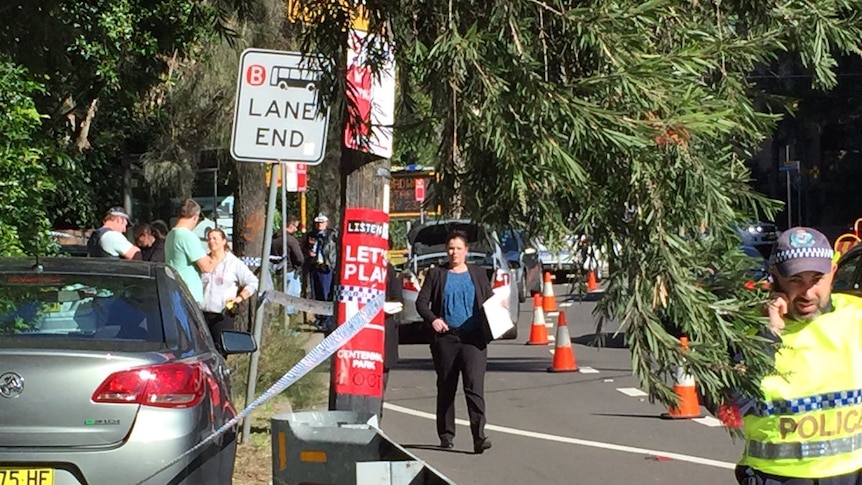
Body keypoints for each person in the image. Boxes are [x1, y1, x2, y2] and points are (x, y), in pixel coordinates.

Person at [732, 227, 862, 484]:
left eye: (817, 279)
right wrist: (768, 336)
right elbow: (731, 405)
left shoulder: (856, 317)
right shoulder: (749, 332)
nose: (807, 293)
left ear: (833, 274)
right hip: (778, 477)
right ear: (775, 279)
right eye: (795, 280)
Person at [415, 230, 493, 454]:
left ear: (466, 251)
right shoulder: (437, 274)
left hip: (473, 339)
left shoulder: (478, 274)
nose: (454, 252)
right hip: (446, 339)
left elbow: (489, 301)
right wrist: (434, 320)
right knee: (447, 386)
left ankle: (479, 436)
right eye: (451, 248)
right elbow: (422, 303)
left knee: (474, 387)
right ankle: (446, 434)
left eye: (459, 248)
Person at [200, 228, 258, 352]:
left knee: (220, 351)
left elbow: (253, 282)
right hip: (202, 314)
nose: (211, 241)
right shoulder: (203, 261)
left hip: (222, 315)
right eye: (209, 239)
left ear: (223, 241)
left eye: (215, 238)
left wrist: (239, 298)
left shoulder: (233, 263)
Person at [165, 199, 216, 305]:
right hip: (189, 294)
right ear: (195, 217)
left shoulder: (171, 234)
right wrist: (219, 256)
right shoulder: (187, 236)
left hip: (175, 290)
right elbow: (207, 266)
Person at [304, 213, 338, 331]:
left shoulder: (332, 235)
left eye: (322, 223)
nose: (319, 225)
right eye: (318, 223)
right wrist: (309, 253)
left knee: (326, 293)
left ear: (326, 223)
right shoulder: (311, 235)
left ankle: (327, 319)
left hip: (326, 267)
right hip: (315, 266)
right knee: (316, 294)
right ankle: (319, 318)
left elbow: (334, 250)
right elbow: (305, 247)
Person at [381, 260, 402, 420]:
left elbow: (398, 300)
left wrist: (381, 308)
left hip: (385, 328)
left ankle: (378, 413)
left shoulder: (388, 269)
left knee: (382, 378)